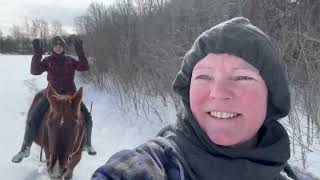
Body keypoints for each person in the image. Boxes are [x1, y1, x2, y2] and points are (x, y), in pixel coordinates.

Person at [91, 17, 298, 180]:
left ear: (271, 96)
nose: (218, 92)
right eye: (204, 76)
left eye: (242, 77)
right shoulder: (156, 164)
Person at [12, 35, 96, 163]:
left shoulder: (70, 60)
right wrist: (37, 53)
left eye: (60, 45)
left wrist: (80, 50)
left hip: (71, 96)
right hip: (51, 95)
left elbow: (84, 67)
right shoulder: (48, 60)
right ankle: (25, 148)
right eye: (56, 45)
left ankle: (87, 144)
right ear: (52, 47)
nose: (58, 47)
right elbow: (35, 71)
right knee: (33, 118)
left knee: (87, 118)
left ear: (63, 48)